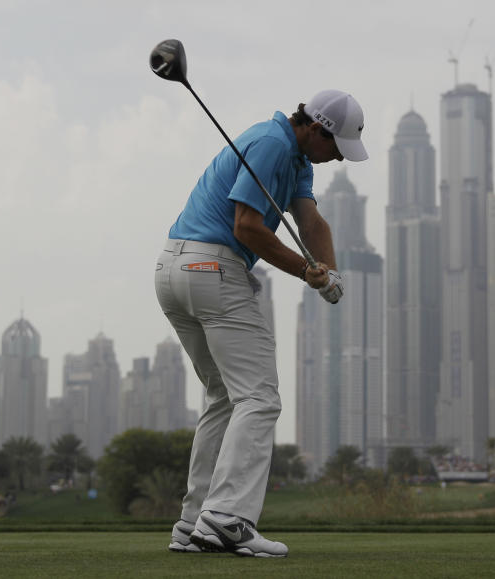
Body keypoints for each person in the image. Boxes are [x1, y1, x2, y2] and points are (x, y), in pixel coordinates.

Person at [157, 89, 368, 558]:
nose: (336, 158)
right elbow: (247, 227)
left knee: (225, 398)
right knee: (259, 396)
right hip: (213, 268)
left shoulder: (297, 159)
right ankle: (228, 518)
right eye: (335, 148)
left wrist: (329, 272)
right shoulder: (273, 144)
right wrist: (303, 270)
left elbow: (312, 223)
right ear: (316, 129)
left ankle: (193, 522)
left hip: (174, 269)